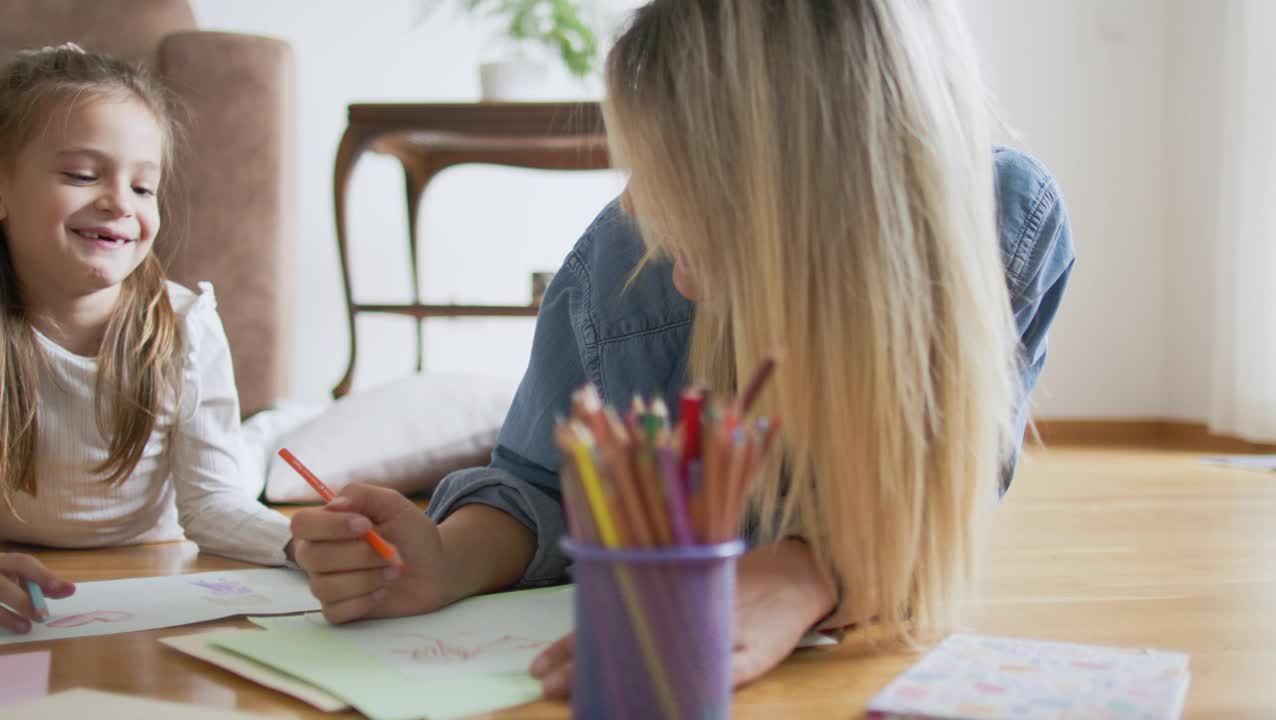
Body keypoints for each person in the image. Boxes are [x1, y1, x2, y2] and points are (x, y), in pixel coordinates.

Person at [290, 0, 1075, 694]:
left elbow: (941, 499)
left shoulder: (1001, 227)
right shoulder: (620, 261)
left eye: (700, 217)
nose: (681, 275)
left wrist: (809, 572)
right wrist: (447, 558)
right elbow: (539, 483)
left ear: (814, 204)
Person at [0, 45, 293, 633]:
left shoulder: (185, 324)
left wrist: (300, 541)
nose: (118, 203)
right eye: (83, 175)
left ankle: (283, 424)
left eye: (143, 187)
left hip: (153, 563)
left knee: (255, 459)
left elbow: (212, 505)